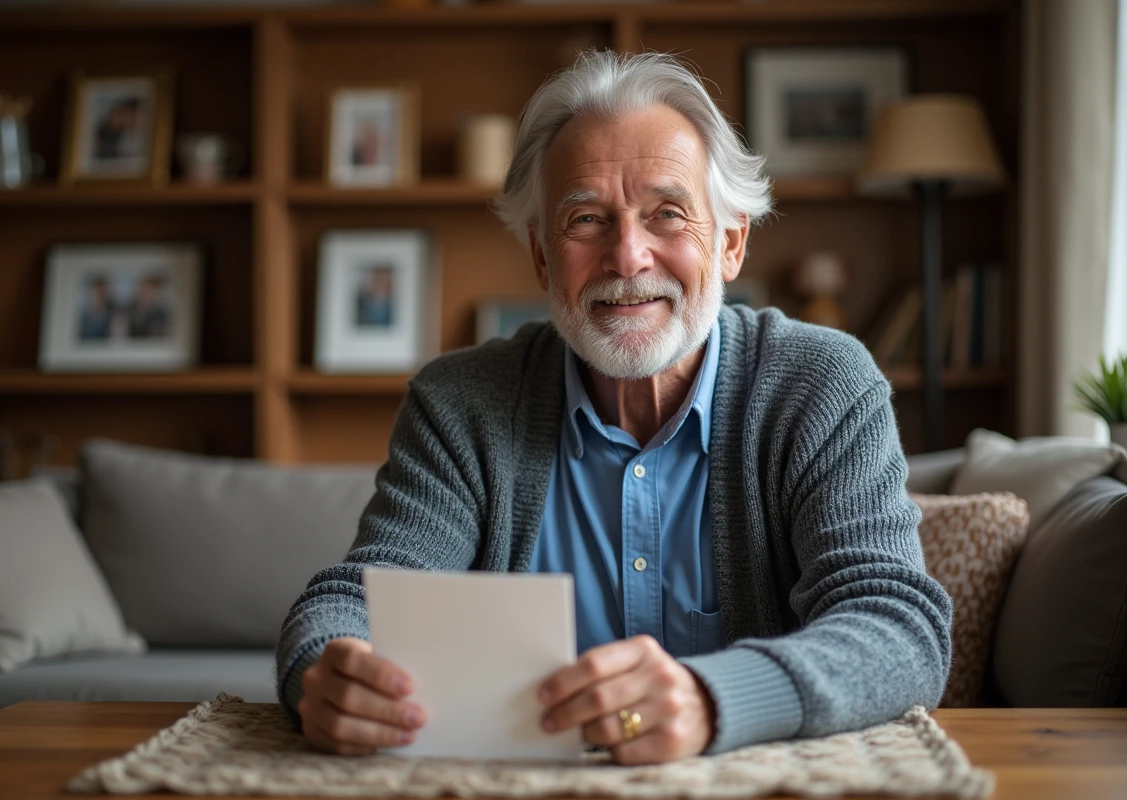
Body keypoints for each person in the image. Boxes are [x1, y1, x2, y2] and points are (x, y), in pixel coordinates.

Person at [277, 50, 952, 766]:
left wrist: (712, 697)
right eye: (586, 220)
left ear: (730, 242)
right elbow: (362, 597)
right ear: (542, 257)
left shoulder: (822, 384)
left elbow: (897, 627)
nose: (628, 256)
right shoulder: (460, 402)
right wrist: (324, 669)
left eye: (666, 213)